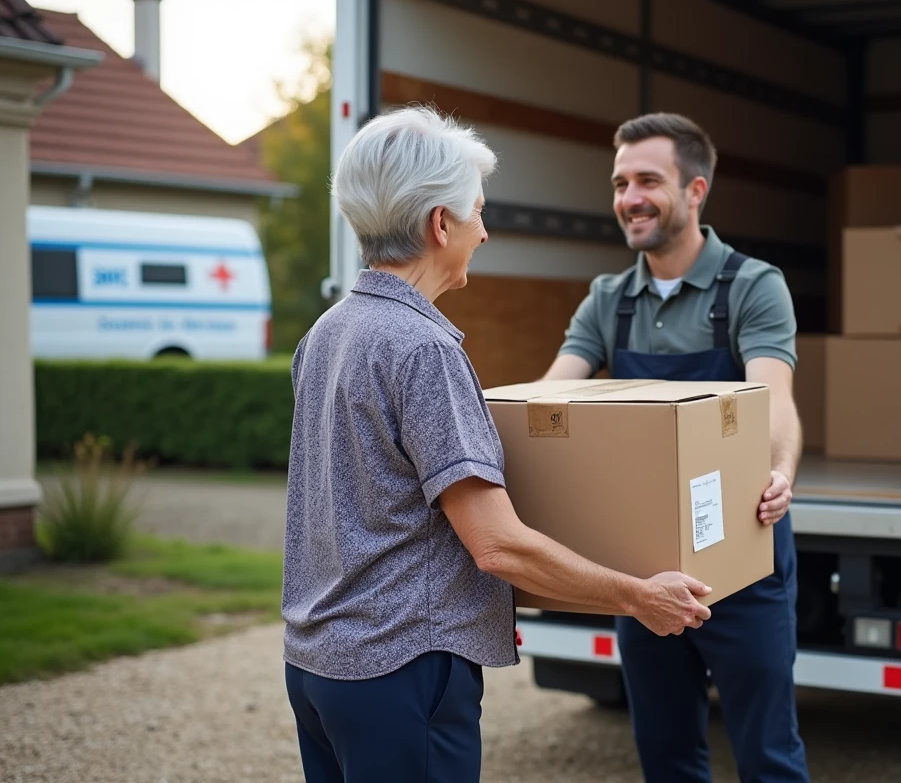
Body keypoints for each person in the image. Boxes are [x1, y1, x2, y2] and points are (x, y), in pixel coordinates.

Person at [280, 105, 713, 783]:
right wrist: (638, 596)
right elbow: (497, 544)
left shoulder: (329, 332)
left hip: (319, 668)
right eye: (478, 213)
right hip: (403, 670)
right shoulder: (422, 349)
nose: (485, 232)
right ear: (440, 224)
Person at [541, 112, 810, 783]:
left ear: (695, 191)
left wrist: (778, 469)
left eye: (648, 181)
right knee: (665, 756)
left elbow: (774, 397)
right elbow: (549, 400)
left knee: (768, 756)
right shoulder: (609, 300)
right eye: (621, 182)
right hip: (647, 569)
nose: (630, 197)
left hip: (743, 561)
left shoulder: (752, 286)